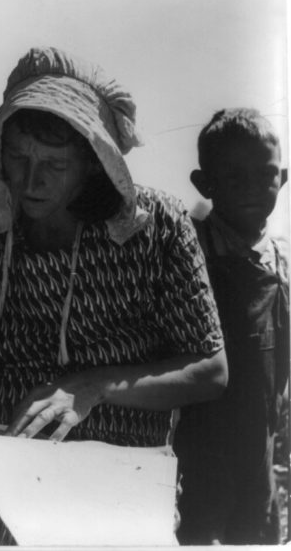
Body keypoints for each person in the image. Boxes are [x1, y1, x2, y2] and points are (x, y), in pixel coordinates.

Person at [0, 46, 227, 545]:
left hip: (107, 485)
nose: (30, 179)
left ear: (93, 162)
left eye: (54, 163)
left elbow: (211, 371)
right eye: (18, 158)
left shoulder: (157, 230)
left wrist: (93, 386)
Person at [174, 108, 289, 545]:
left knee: (255, 533)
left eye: (265, 176)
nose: (254, 190)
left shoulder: (280, 260)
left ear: (283, 177)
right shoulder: (191, 247)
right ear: (205, 184)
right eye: (234, 178)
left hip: (258, 441)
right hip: (199, 445)